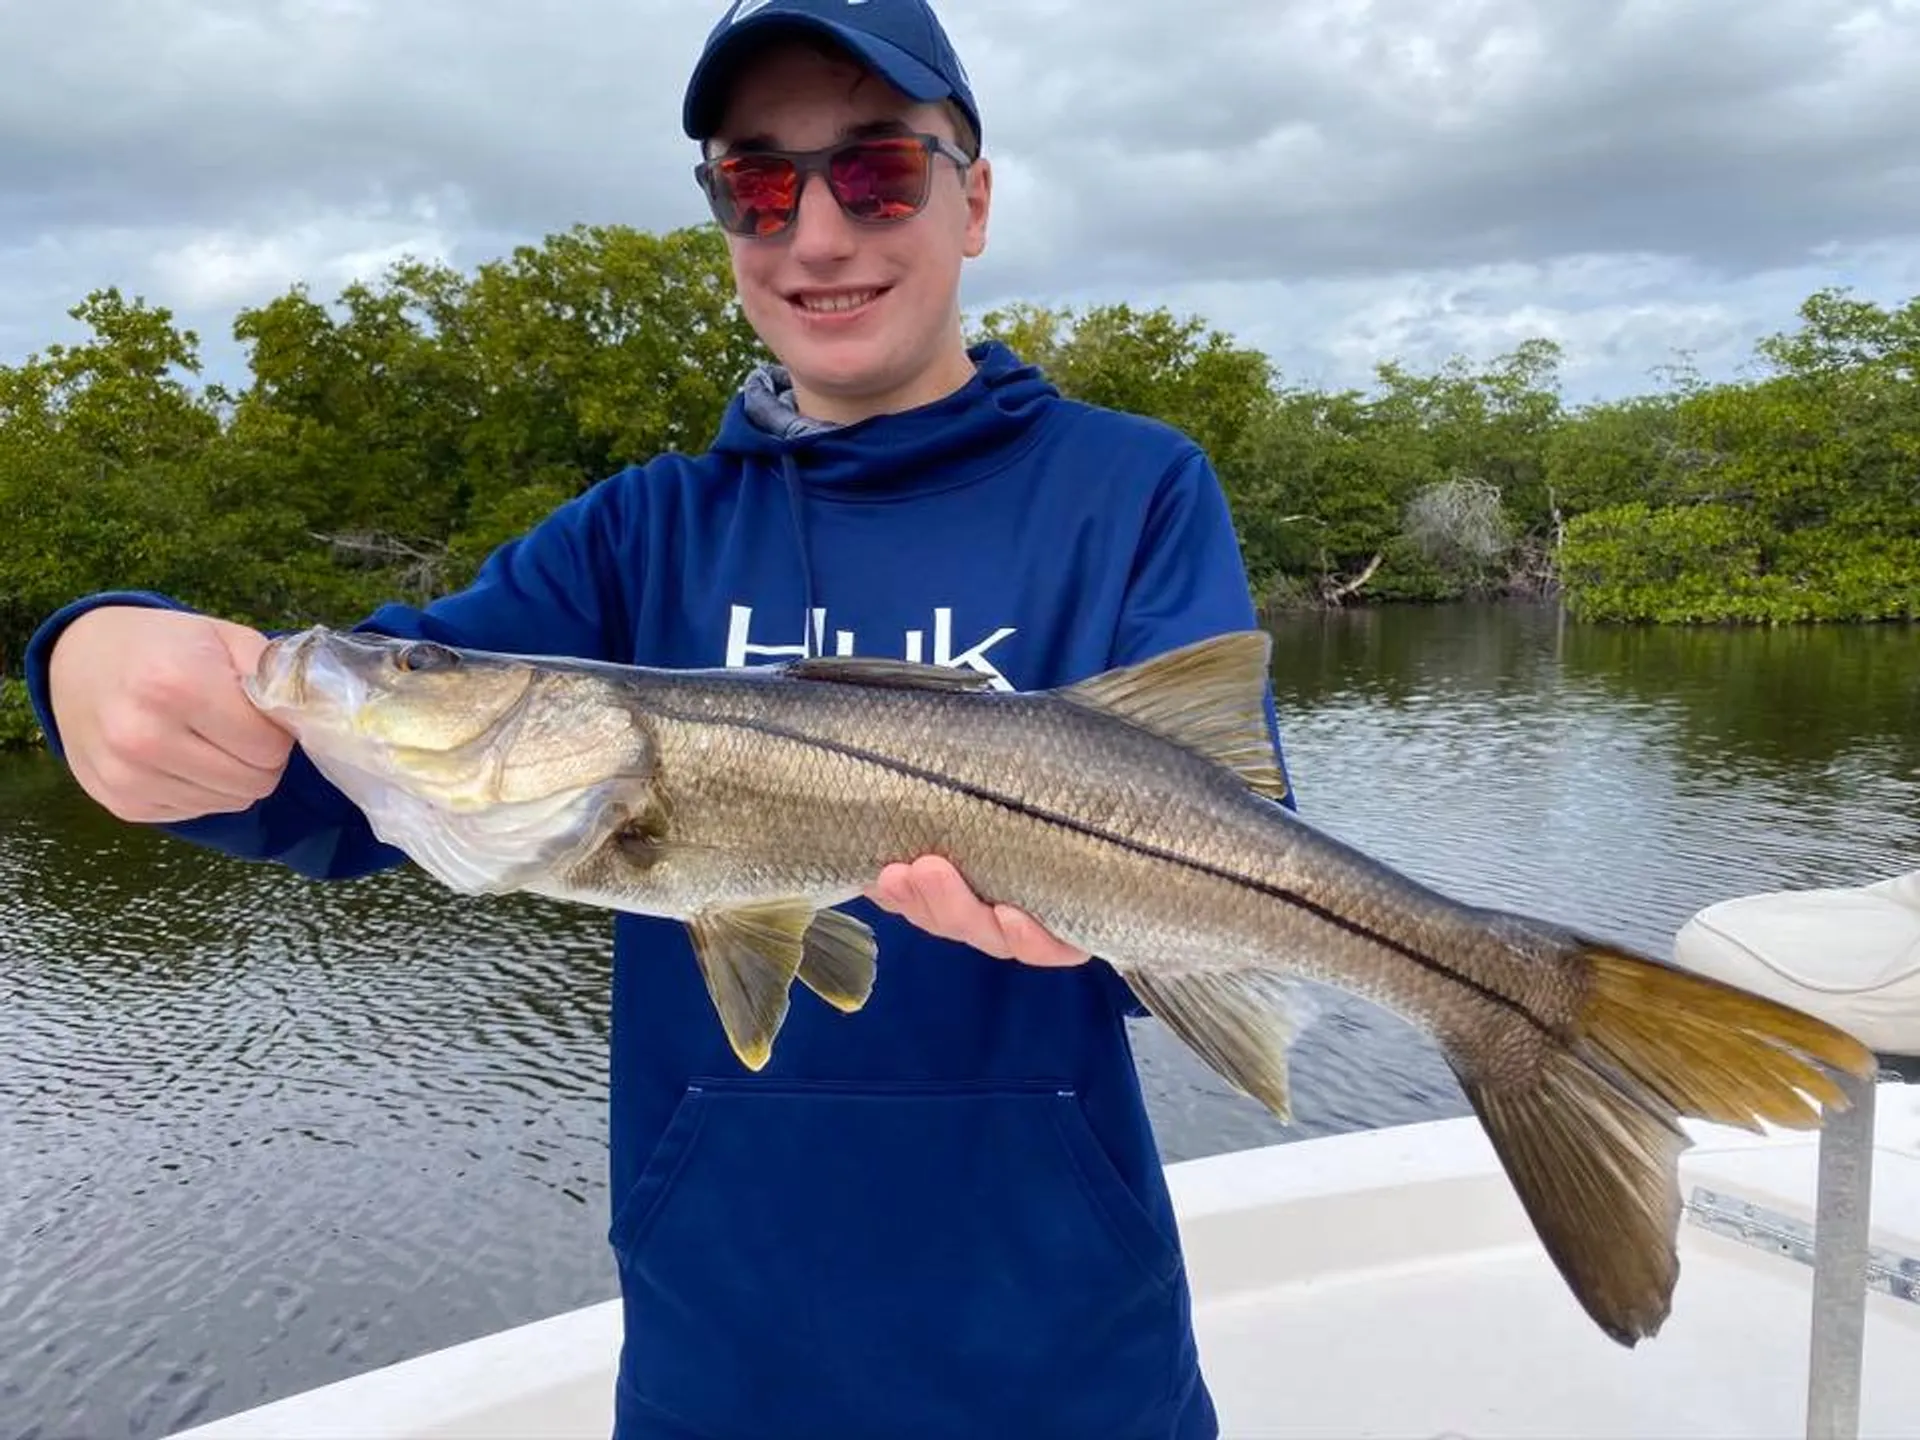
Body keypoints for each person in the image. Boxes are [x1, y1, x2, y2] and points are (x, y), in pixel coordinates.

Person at [25, 1, 1292, 1435]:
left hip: (1073, 1363)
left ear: (975, 197)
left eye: (876, 172)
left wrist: (1114, 923)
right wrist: (90, 655)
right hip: (720, 1370)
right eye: (759, 186)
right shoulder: (636, 538)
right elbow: (336, 775)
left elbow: (1249, 860)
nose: (818, 235)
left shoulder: (1133, 488)